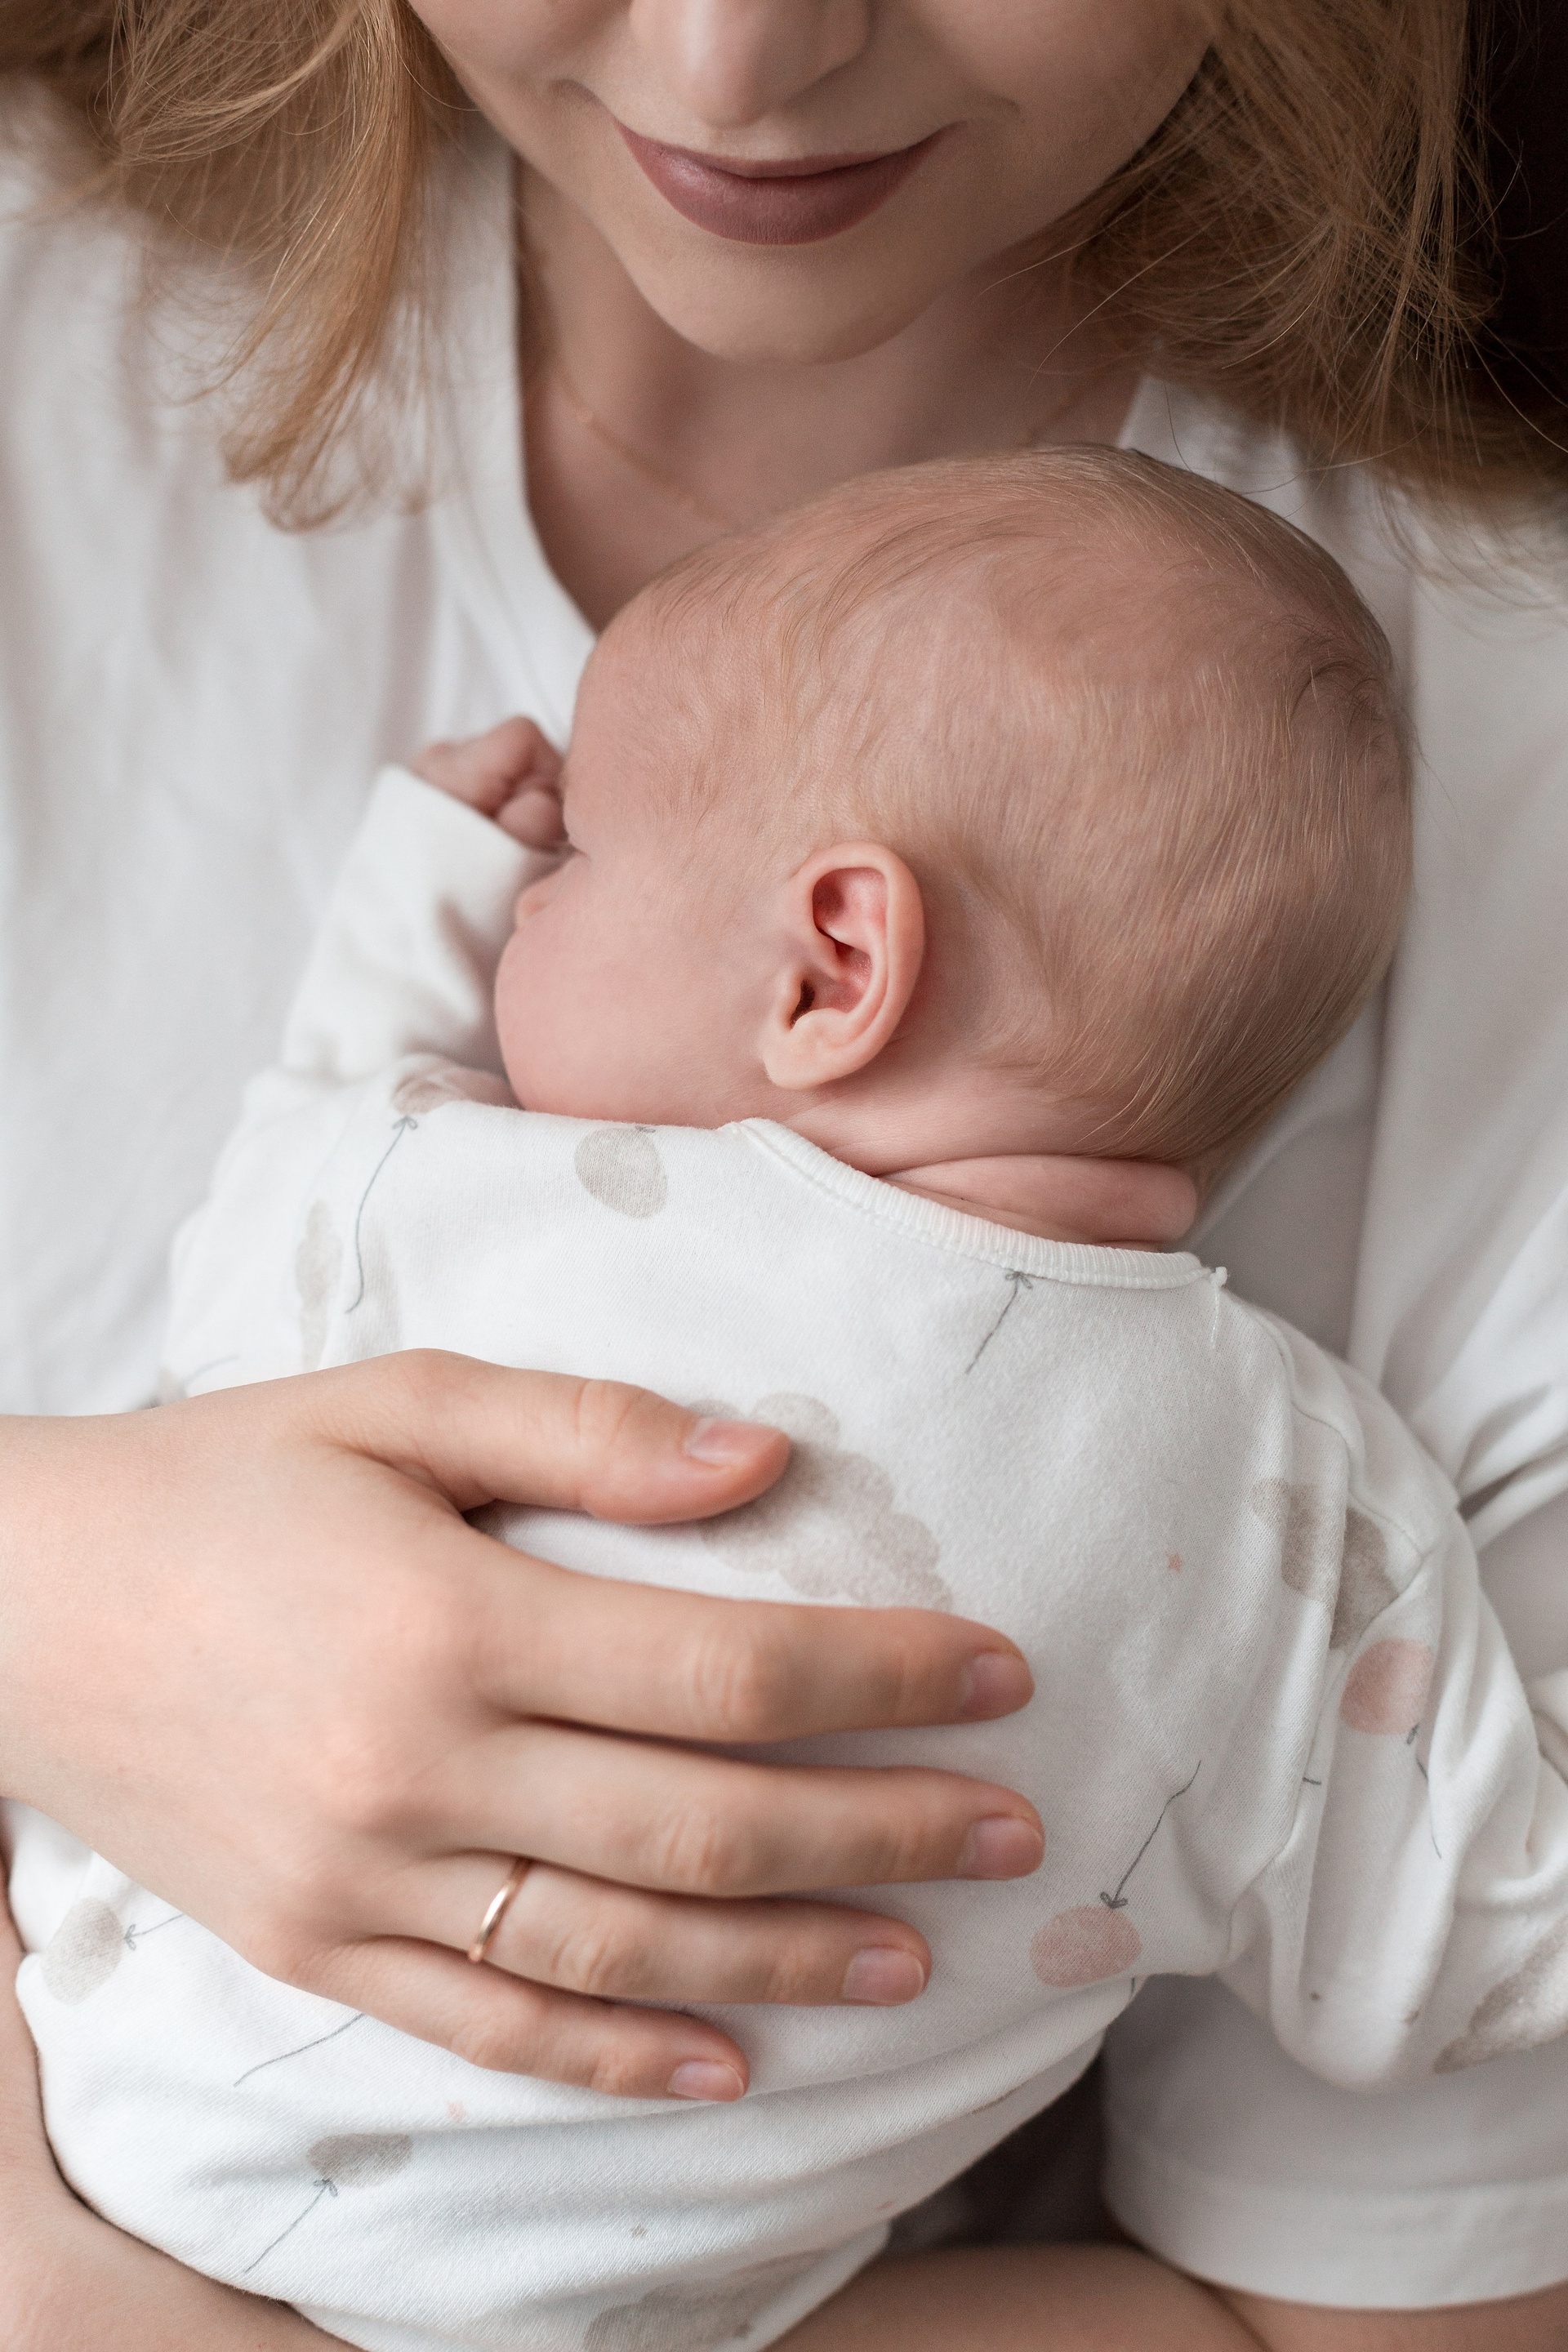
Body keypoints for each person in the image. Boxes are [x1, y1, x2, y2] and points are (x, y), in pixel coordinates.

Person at [0, 5, 1564, 2347]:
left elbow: (316, 1167)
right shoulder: (1314, 1507)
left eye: (571, 864)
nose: (734, 67)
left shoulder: (504, 1199)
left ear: (837, 965)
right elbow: (1476, 1929)